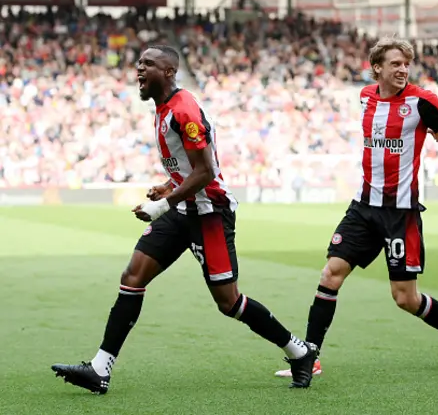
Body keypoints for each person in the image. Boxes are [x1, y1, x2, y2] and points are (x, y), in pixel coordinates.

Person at [51, 45, 317, 393]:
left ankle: (298, 352)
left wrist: (163, 204)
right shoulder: (163, 109)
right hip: (181, 209)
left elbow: (206, 171)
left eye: (148, 64)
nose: (139, 70)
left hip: (210, 214)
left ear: (170, 71)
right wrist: (168, 187)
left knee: (229, 302)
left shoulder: (183, 110)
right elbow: (190, 167)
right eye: (138, 64)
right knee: (133, 275)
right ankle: (100, 369)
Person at [274, 37, 438, 379]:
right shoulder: (364, 97)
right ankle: (309, 357)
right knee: (330, 274)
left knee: (404, 298)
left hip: (400, 213)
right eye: (395, 64)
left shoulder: (422, 101)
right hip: (363, 208)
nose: (403, 69)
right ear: (377, 68)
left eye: (406, 64)